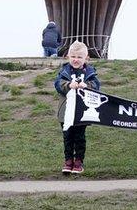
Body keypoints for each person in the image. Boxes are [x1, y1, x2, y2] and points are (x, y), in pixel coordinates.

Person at [54, 40, 101, 175]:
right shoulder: (63, 71)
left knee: (79, 137)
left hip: (82, 112)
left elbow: (96, 86)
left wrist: (86, 86)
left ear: (86, 58)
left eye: (79, 57)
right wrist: (69, 85)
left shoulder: (90, 72)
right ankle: (68, 161)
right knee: (67, 137)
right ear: (67, 57)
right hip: (66, 111)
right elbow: (58, 85)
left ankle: (79, 161)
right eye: (73, 56)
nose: (76, 60)